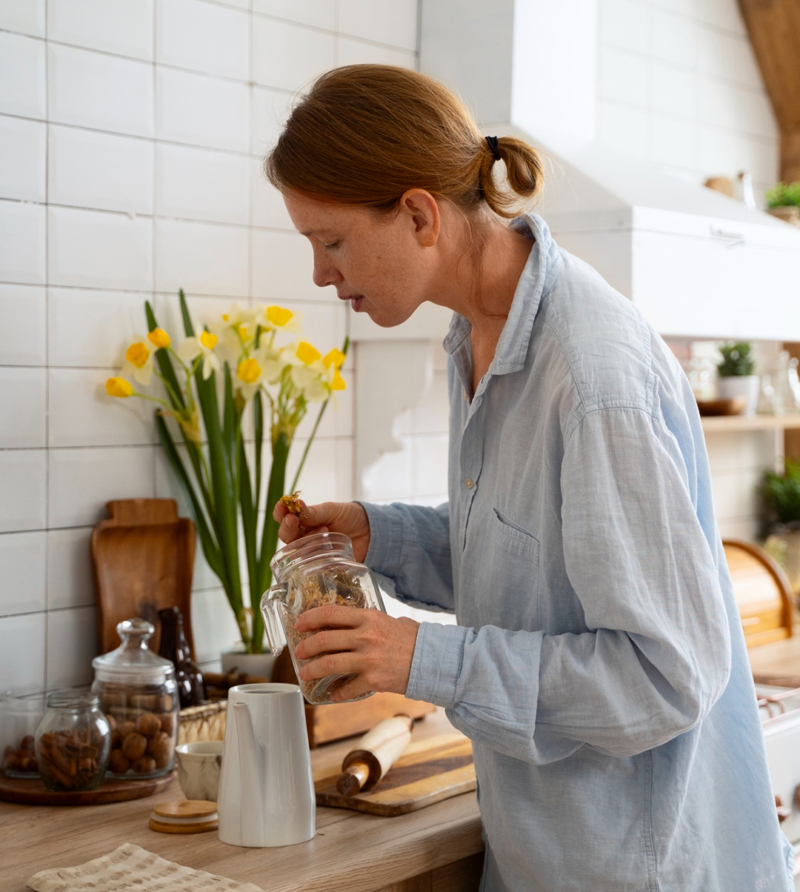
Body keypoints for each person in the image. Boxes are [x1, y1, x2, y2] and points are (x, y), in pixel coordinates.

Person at [266, 64, 792, 891]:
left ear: (416, 214)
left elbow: (660, 677)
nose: (321, 274)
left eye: (329, 240)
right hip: (544, 856)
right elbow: (536, 564)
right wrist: (385, 533)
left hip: (636, 870)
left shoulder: (590, 379)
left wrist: (422, 659)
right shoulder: (479, 334)